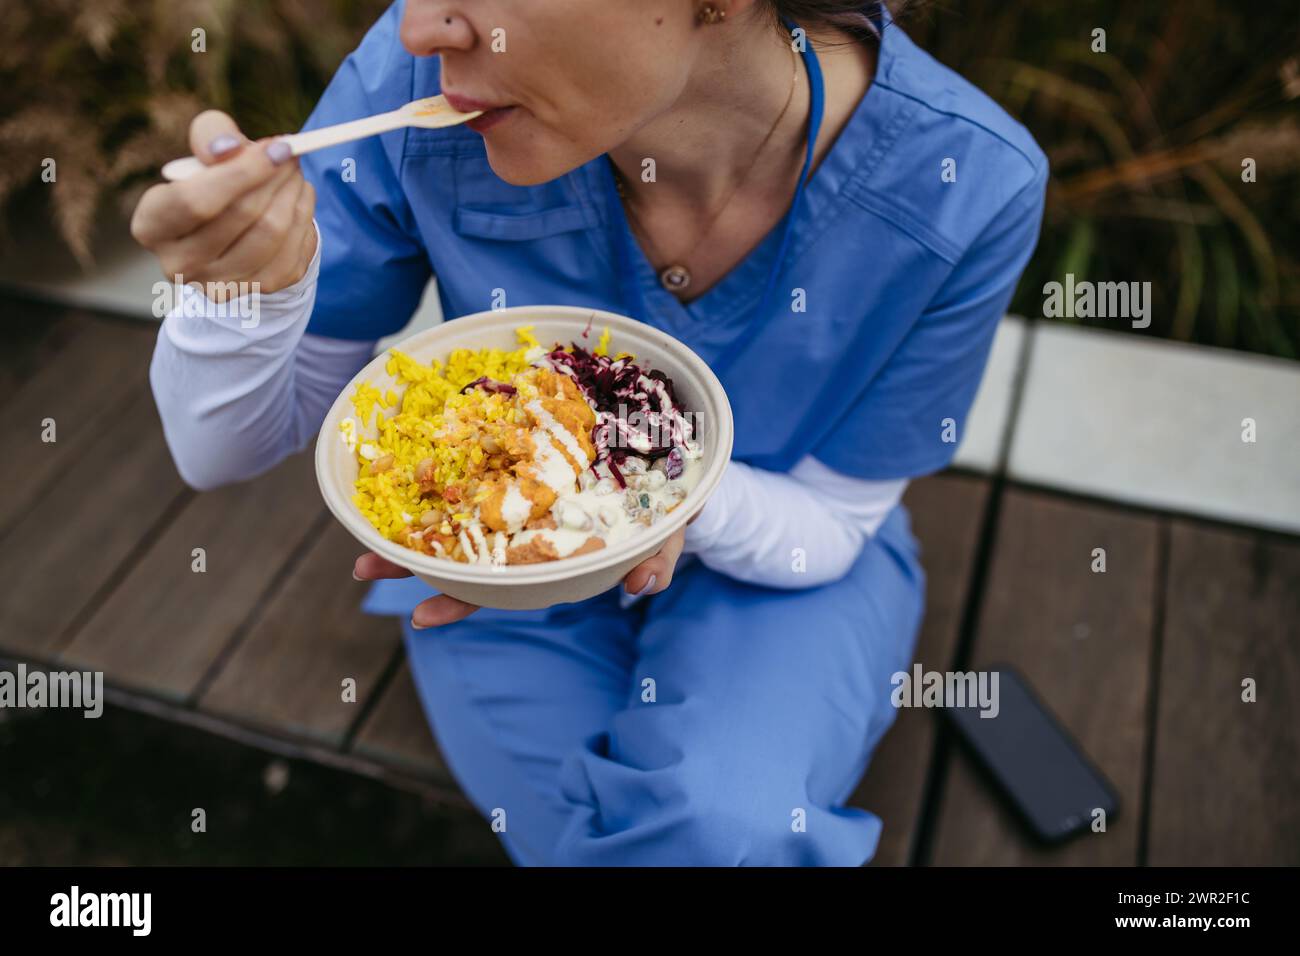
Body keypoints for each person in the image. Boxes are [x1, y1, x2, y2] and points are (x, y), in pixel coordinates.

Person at [132, 0, 1047, 865]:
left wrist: (640, 490)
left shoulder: (964, 183)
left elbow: (836, 520)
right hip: (495, 572)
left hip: (789, 558)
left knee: (728, 828)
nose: (419, 26)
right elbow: (224, 454)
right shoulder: (415, 90)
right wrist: (238, 298)